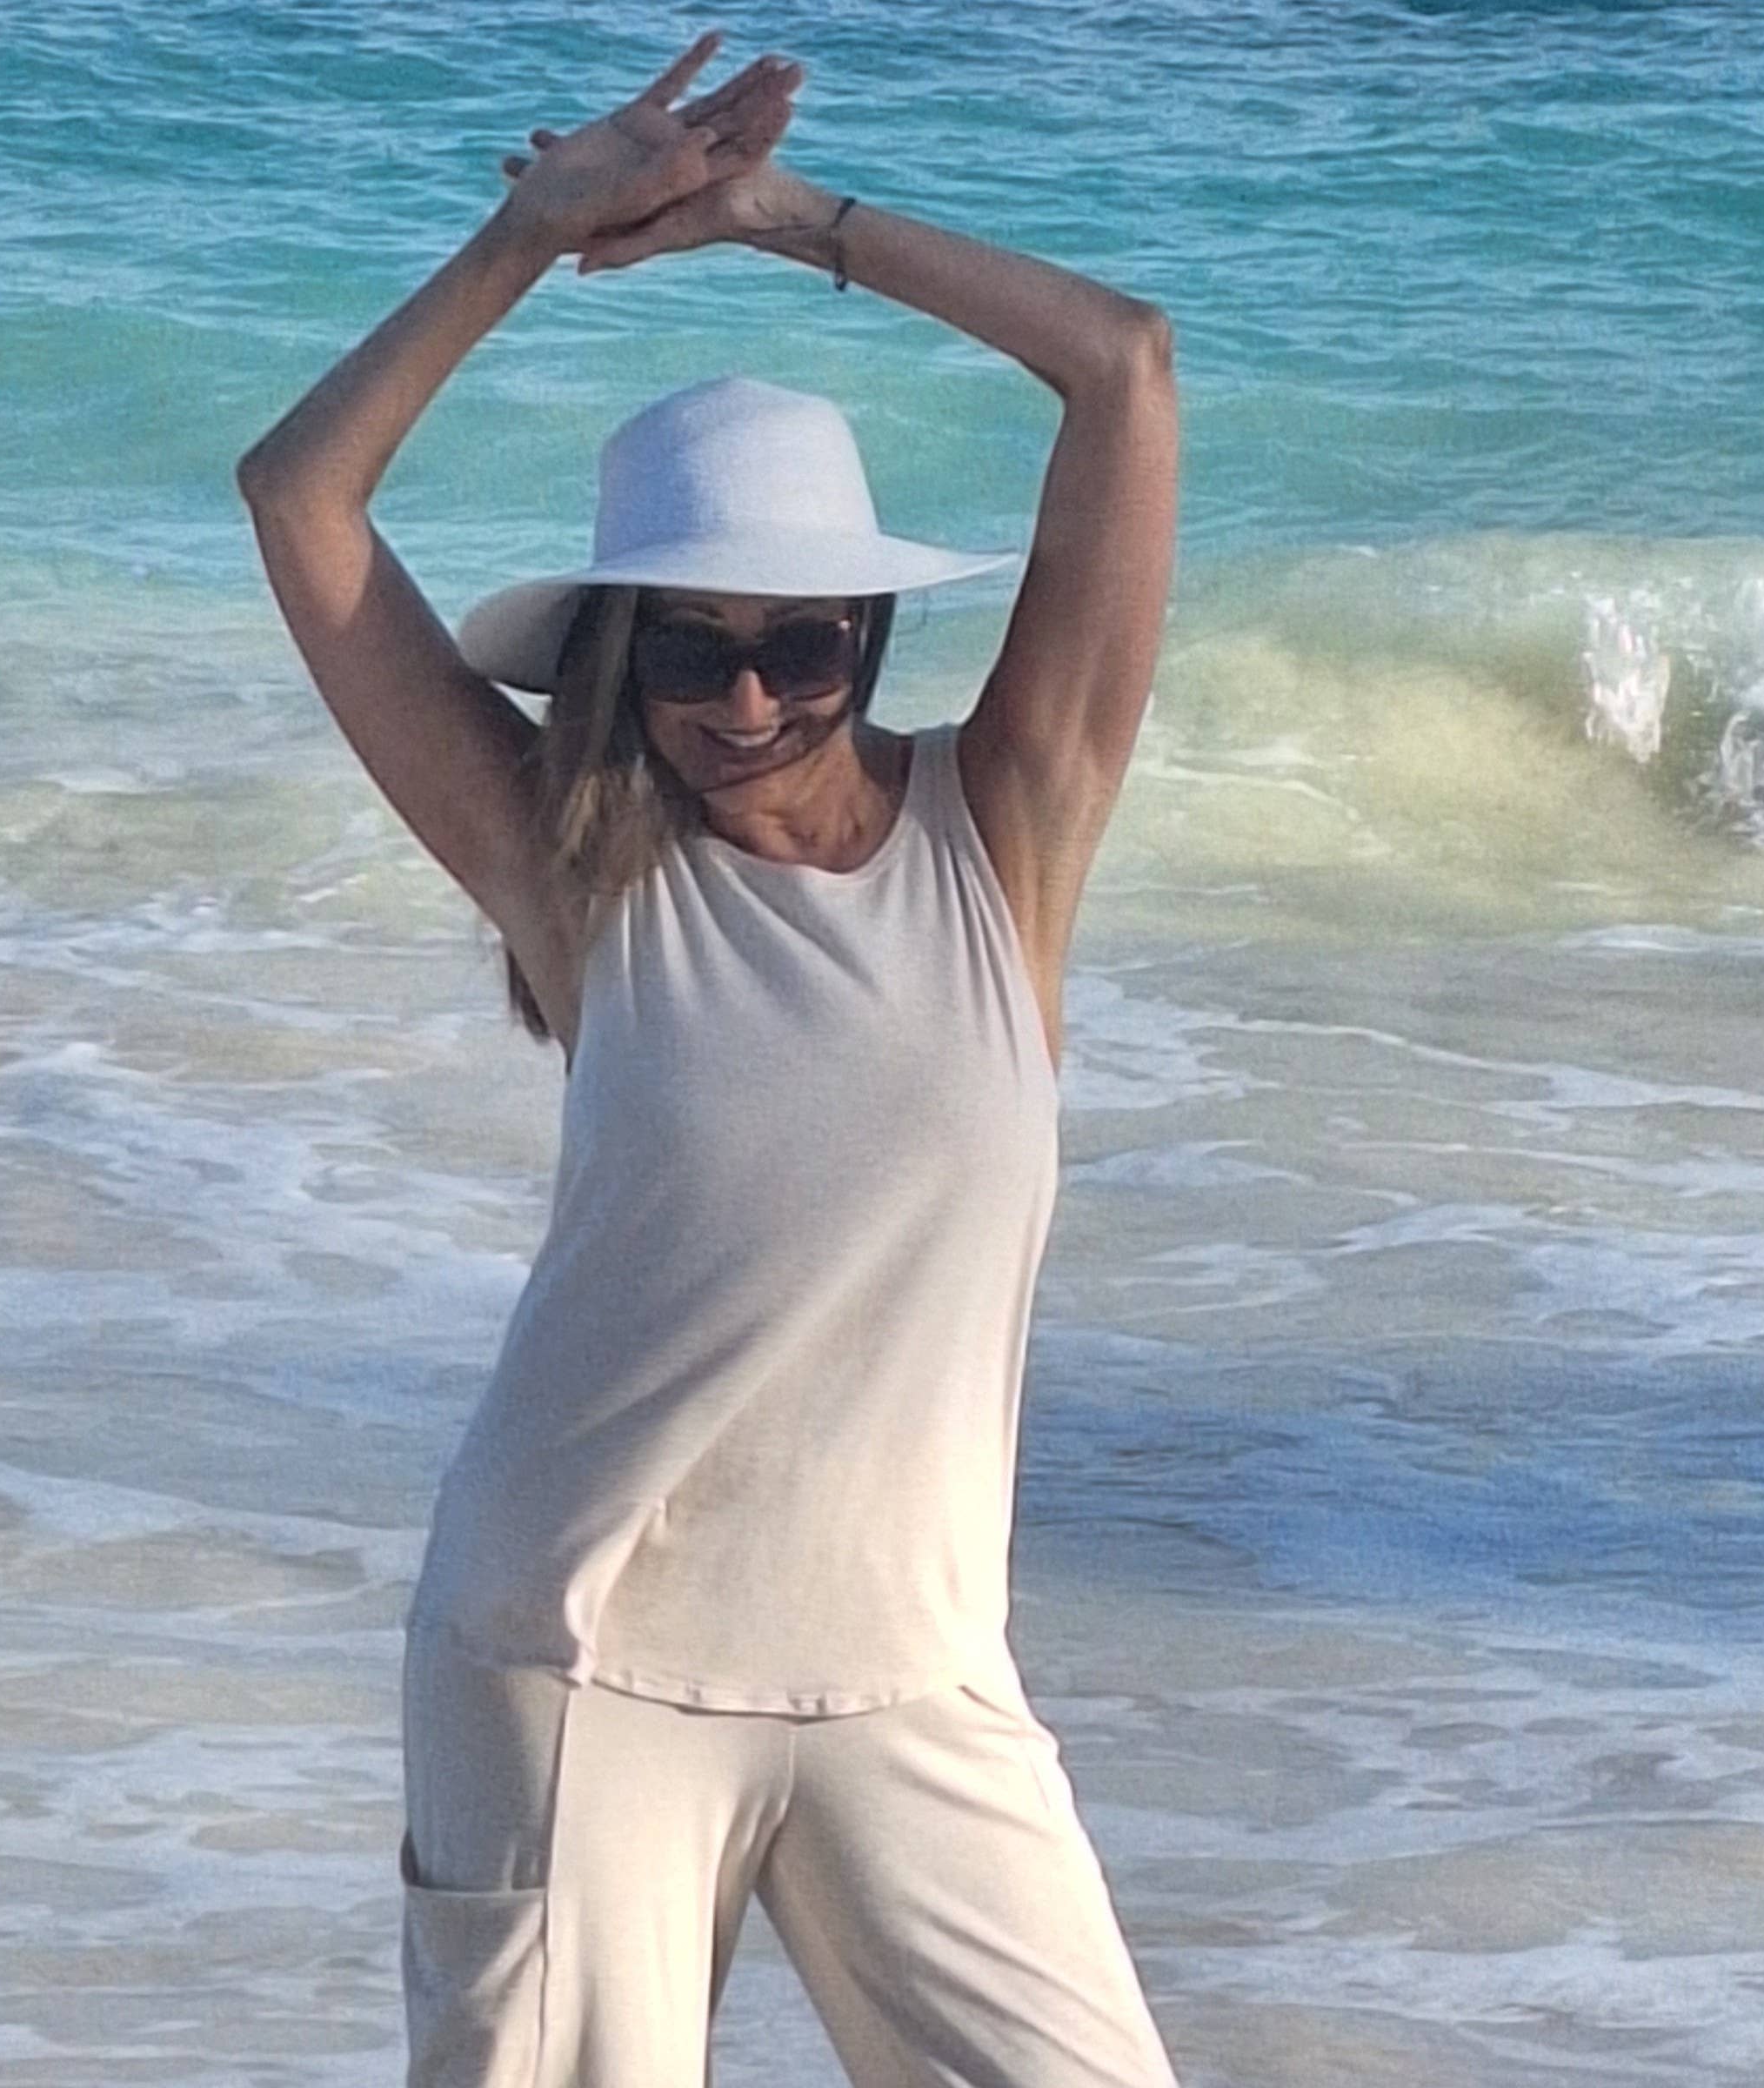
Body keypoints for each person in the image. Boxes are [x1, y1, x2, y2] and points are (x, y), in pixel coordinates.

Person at [237, 27, 1179, 2088]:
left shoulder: (1005, 837)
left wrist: (775, 217)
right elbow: (299, 497)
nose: (746, 701)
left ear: (869, 634)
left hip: (918, 1680)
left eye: (798, 644)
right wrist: (526, 236)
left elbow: (1122, 367)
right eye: (688, 648)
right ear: (617, 652)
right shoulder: (576, 871)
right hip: (580, 1667)